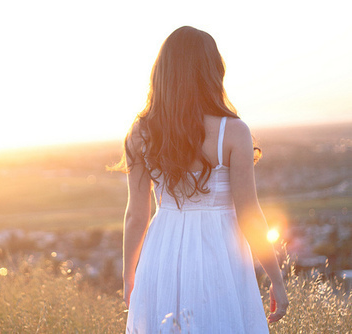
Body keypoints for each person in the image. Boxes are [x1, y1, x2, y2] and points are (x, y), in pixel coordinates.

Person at [116, 26, 289, 333]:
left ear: (163, 73)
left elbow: (136, 216)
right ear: (212, 71)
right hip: (219, 254)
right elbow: (250, 213)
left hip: (162, 253)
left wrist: (130, 275)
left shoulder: (140, 133)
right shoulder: (234, 131)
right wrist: (276, 279)